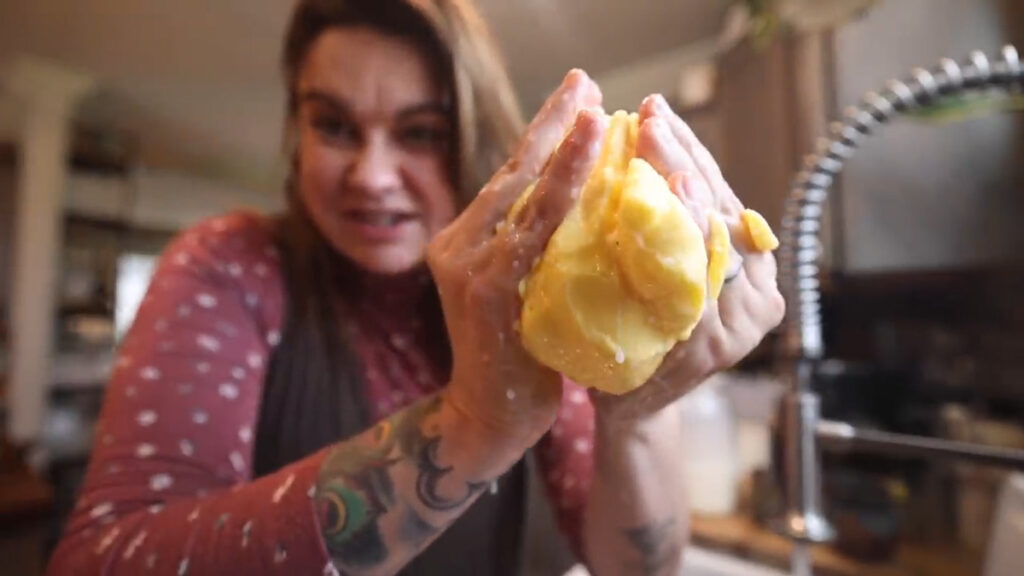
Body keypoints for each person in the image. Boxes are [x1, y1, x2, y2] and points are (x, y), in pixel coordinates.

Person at [46, 0, 785, 574]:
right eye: (334, 126)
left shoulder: (546, 294)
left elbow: (635, 570)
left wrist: (638, 412)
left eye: (421, 132)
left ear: (483, 143)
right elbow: (103, 560)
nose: (370, 176)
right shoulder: (233, 265)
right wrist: (474, 423)